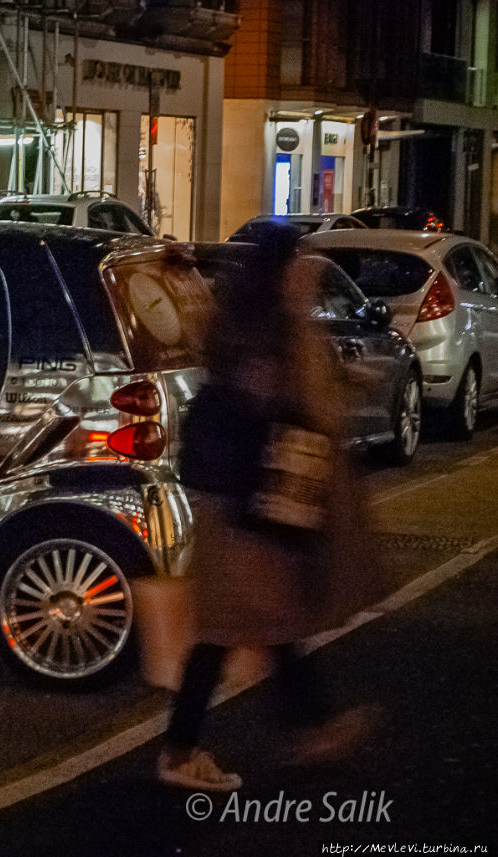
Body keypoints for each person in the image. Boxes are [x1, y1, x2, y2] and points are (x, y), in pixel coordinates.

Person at [157, 221, 383, 791]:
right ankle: (183, 751)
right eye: (298, 264)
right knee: (232, 626)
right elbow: (296, 398)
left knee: (272, 622)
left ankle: (305, 730)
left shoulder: (245, 322)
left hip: (245, 496)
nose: (306, 272)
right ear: (281, 270)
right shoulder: (264, 330)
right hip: (247, 500)